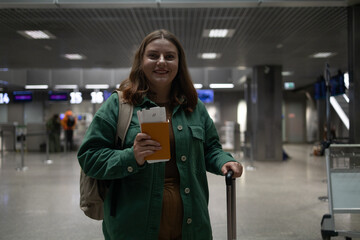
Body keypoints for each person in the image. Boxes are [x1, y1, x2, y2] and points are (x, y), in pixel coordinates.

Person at [77, 29, 243, 240]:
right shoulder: (119, 105)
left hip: (191, 227)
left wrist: (224, 161)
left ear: (179, 64)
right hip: (134, 229)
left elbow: (210, 148)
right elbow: (89, 157)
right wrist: (132, 156)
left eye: (170, 56)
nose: (161, 62)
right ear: (141, 61)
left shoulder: (193, 107)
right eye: (153, 55)